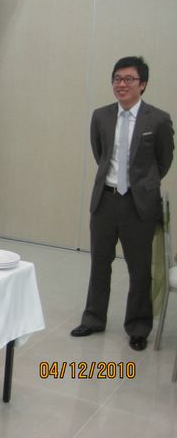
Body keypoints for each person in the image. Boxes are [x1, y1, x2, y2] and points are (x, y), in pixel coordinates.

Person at [71, 56, 174, 351]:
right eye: (117, 78)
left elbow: (164, 160)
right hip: (105, 199)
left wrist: (142, 185)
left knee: (139, 269)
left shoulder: (158, 119)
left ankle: (138, 327)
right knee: (99, 263)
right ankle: (93, 318)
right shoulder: (101, 116)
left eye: (129, 79)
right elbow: (100, 153)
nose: (121, 84)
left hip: (139, 204)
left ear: (143, 84)